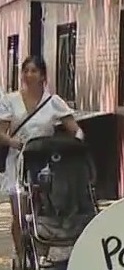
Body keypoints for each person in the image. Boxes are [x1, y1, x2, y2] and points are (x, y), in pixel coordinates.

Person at [0, 55, 82, 258]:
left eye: (33, 71)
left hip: (46, 163)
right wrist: (14, 143)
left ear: (43, 76)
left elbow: (75, 129)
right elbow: (1, 132)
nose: (28, 75)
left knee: (42, 210)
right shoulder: (10, 100)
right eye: (25, 71)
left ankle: (40, 249)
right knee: (20, 213)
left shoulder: (53, 102)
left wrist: (78, 144)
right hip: (19, 160)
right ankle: (21, 255)